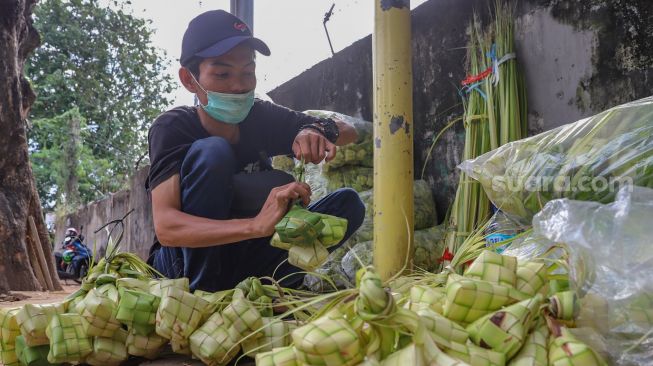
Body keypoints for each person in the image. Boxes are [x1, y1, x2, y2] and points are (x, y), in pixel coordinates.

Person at [147, 9, 365, 292]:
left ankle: (268, 287)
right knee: (213, 152)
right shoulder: (173, 128)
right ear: (190, 79)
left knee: (347, 205)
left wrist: (316, 130)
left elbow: (349, 131)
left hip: (245, 256)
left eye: (247, 72)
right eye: (223, 73)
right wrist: (254, 225)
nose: (239, 86)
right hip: (181, 267)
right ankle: (203, 296)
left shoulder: (261, 116)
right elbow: (167, 227)